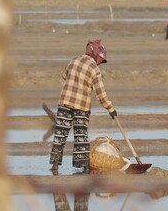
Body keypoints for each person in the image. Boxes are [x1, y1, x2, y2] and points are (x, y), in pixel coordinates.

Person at [50, 39, 117, 174]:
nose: (100, 63)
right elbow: (100, 93)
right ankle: (84, 166)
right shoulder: (94, 69)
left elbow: (64, 75)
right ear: (97, 56)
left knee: (60, 135)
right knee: (81, 136)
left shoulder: (73, 61)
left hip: (65, 102)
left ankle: (55, 165)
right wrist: (110, 109)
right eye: (101, 60)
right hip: (82, 105)